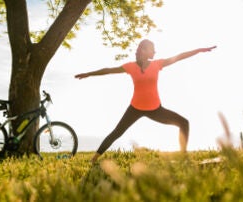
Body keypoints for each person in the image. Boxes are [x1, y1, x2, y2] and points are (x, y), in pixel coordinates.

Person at [75, 39, 216, 163]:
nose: (155, 51)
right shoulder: (130, 67)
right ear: (143, 50)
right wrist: (89, 74)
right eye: (152, 49)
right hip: (135, 108)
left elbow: (179, 56)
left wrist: (199, 50)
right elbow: (108, 70)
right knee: (117, 132)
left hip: (155, 110)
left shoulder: (157, 64)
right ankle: (94, 158)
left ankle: (183, 156)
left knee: (183, 123)